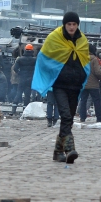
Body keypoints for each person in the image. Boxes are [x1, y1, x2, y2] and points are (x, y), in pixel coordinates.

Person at [32, 12, 90, 164]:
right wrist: (53, 72)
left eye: (74, 24)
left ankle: (58, 152)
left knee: (69, 119)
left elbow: (85, 59)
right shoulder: (54, 38)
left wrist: (83, 75)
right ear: (64, 25)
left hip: (75, 85)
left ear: (78, 25)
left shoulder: (82, 39)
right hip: (60, 85)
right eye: (69, 24)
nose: (71, 27)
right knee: (65, 115)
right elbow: (43, 57)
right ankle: (69, 149)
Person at [79, 43, 101, 123]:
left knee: (83, 100)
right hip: (93, 84)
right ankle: (99, 117)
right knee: (96, 101)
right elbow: (98, 72)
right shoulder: (94, 59)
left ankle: (82, 117)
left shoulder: (82, 59)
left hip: (84, 83)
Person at [12, 43, 37, 109]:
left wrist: (20, 73)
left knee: (19, 93)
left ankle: (13, 109)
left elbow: (15, 68)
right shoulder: (35, 60)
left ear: (25, 50)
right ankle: (25, 109)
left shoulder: (20, 59)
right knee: (27, 95)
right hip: (30, 79)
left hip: (22, 78)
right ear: (32, 51)